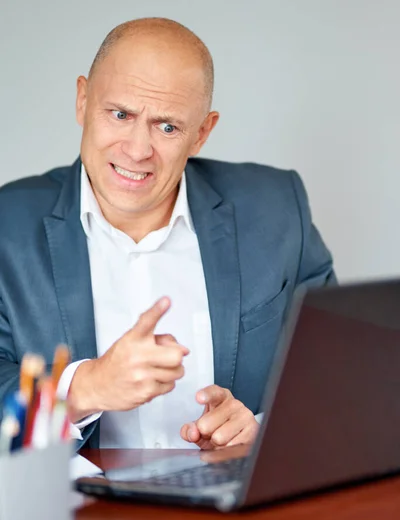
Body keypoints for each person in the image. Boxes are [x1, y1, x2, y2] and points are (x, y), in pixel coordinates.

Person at [0, 18, 335, 451]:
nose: (138, 150)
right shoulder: (7, 223)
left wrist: (264, 429)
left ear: (201, 133)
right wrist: (84, 388)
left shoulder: (276, 208)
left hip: (238, 514)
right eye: (120, 114)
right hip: (78, 514)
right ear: (83, 101)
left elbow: (335, 374)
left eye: (167, 127)